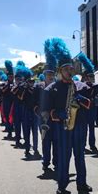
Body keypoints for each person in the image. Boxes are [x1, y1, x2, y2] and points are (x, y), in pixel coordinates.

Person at [45, 38, 93, 194]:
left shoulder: (81, 86)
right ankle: (62, 184)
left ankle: (82, 183)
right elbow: (45, 111)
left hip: (79, 126)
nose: (69, 71)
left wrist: (81, 99)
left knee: (80, 156)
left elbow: (91, 104)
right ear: (60, 70)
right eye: (66, 69)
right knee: (64, 157)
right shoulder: (52, 88)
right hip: (62, 127)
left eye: (71, 68)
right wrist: (57, 114)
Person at [39, 39, 58, 171]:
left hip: (56, 118)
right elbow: (33, 102)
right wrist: (38, 112)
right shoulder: (38, 87)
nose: (50, 76)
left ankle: (56, 162)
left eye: (52, 74)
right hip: (43, 118)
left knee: (56, 142)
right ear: (44, 75)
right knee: (46, 141)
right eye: (48, 74)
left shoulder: (58, 87)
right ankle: (46, 162)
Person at [77, 52, 98, 153]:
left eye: (92, 76)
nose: (91, 78)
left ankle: (92, 145)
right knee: (83, 130)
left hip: (93, 109)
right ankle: (83, 145)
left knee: (92, 129)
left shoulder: (96, 86)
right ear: (86, 77)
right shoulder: (81, 86)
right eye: (89, 76)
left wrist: (97, 98)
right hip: (84, 109)